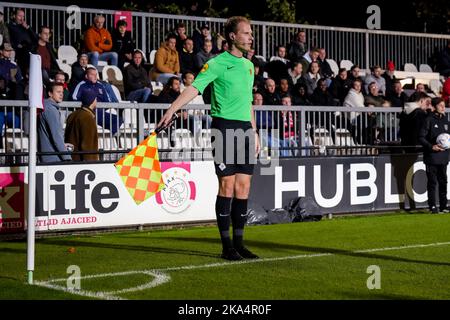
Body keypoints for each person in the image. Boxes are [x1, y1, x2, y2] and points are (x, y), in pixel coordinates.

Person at [158, 16, 260, 261]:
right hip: (224, 128)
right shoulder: (215, 63)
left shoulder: (248, 66)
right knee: (227, 186)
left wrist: (255, 132)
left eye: (251, 33)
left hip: (245, 130)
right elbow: (194, 89)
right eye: (246, 33)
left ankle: (240, 243)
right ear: (232, 37)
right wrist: (172, 109)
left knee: (243, 188)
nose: (250, 37)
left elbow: (248, 103)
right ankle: (226, 247)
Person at [418, 97, 450, 213]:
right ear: (435, 106)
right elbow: (421, 137)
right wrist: (432, 147)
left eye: (444, 105)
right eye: (440, 105)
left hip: (444, 156)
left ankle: (443, 205)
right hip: (432, 157)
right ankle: (432, 206)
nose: (443, 107)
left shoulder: (446, 120)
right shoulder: (429, 120)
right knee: (432, 182)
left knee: (443, 182)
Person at [37, 83, 71, 163]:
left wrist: (63, 145)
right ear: (50, 93)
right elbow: (56, 136)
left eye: (62, 92)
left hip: (47, 155)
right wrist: (67, 157)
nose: (61, 94)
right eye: (58, 92)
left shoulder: (46, 107)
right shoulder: (51, 110)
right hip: (53, 158)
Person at [65, 89, 99, 161]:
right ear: (92, 100)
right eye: (96, 98)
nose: (96, 101)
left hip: (71, 159)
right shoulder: (88, 118)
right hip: (82, 163)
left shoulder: (72, 115)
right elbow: (88, 145)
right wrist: (92, 164)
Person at [7, 8, 38, 73]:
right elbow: (8, 39)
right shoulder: (10, 26)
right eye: (19, 16)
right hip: (19, 49)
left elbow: (36, 38)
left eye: (23, 16)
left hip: (30, 49)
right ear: (14, 16)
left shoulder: (25, 27)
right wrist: (16, 45)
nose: (22, 18)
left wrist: (28, 28)